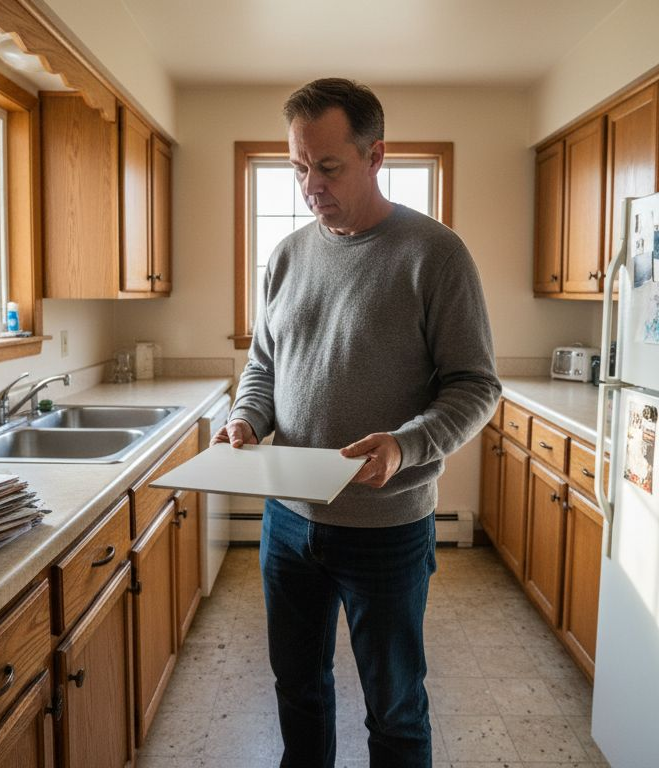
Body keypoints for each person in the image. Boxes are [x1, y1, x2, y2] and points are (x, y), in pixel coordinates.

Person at [214, 77, 500, 767]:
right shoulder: (285, 257)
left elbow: (476, 386)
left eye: (328, 166)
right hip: (288, 522)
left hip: (385, 527)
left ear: (376, 156)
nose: (310, 185)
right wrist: (246, 418)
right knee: (298, 688)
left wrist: (405, 447)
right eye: (298, 168)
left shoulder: (434, 254)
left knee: (396, 707)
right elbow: (262, 366)